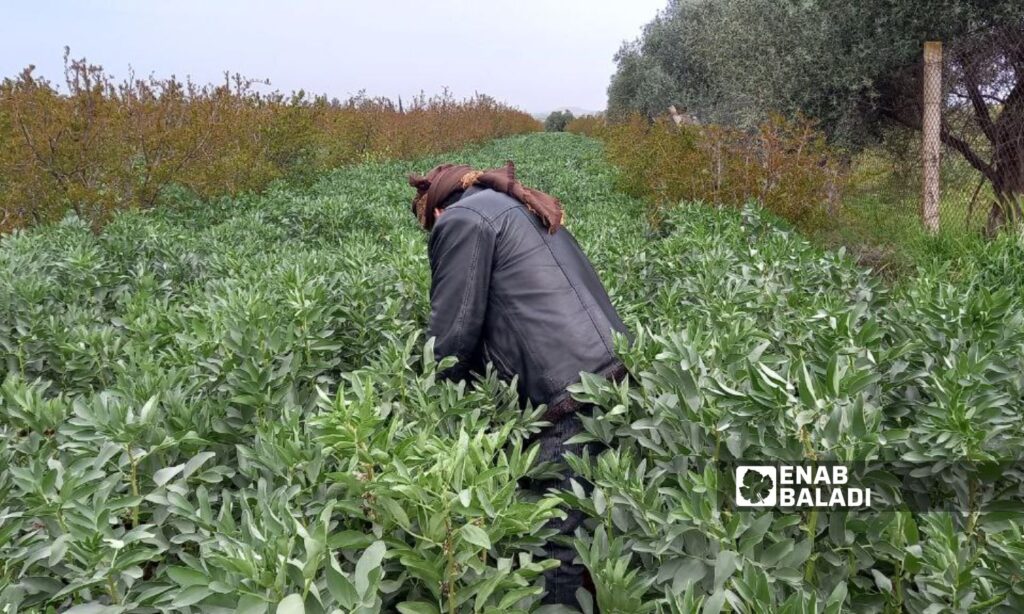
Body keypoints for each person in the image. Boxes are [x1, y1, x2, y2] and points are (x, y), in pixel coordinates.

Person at [407, 160, 633, 608]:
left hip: (566, 399)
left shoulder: (461, 222)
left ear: (434, 211)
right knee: (594, 533)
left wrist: (429, 405)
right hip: (613, 381)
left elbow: (451, 335)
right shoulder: (517, 206)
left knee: (549, 549)